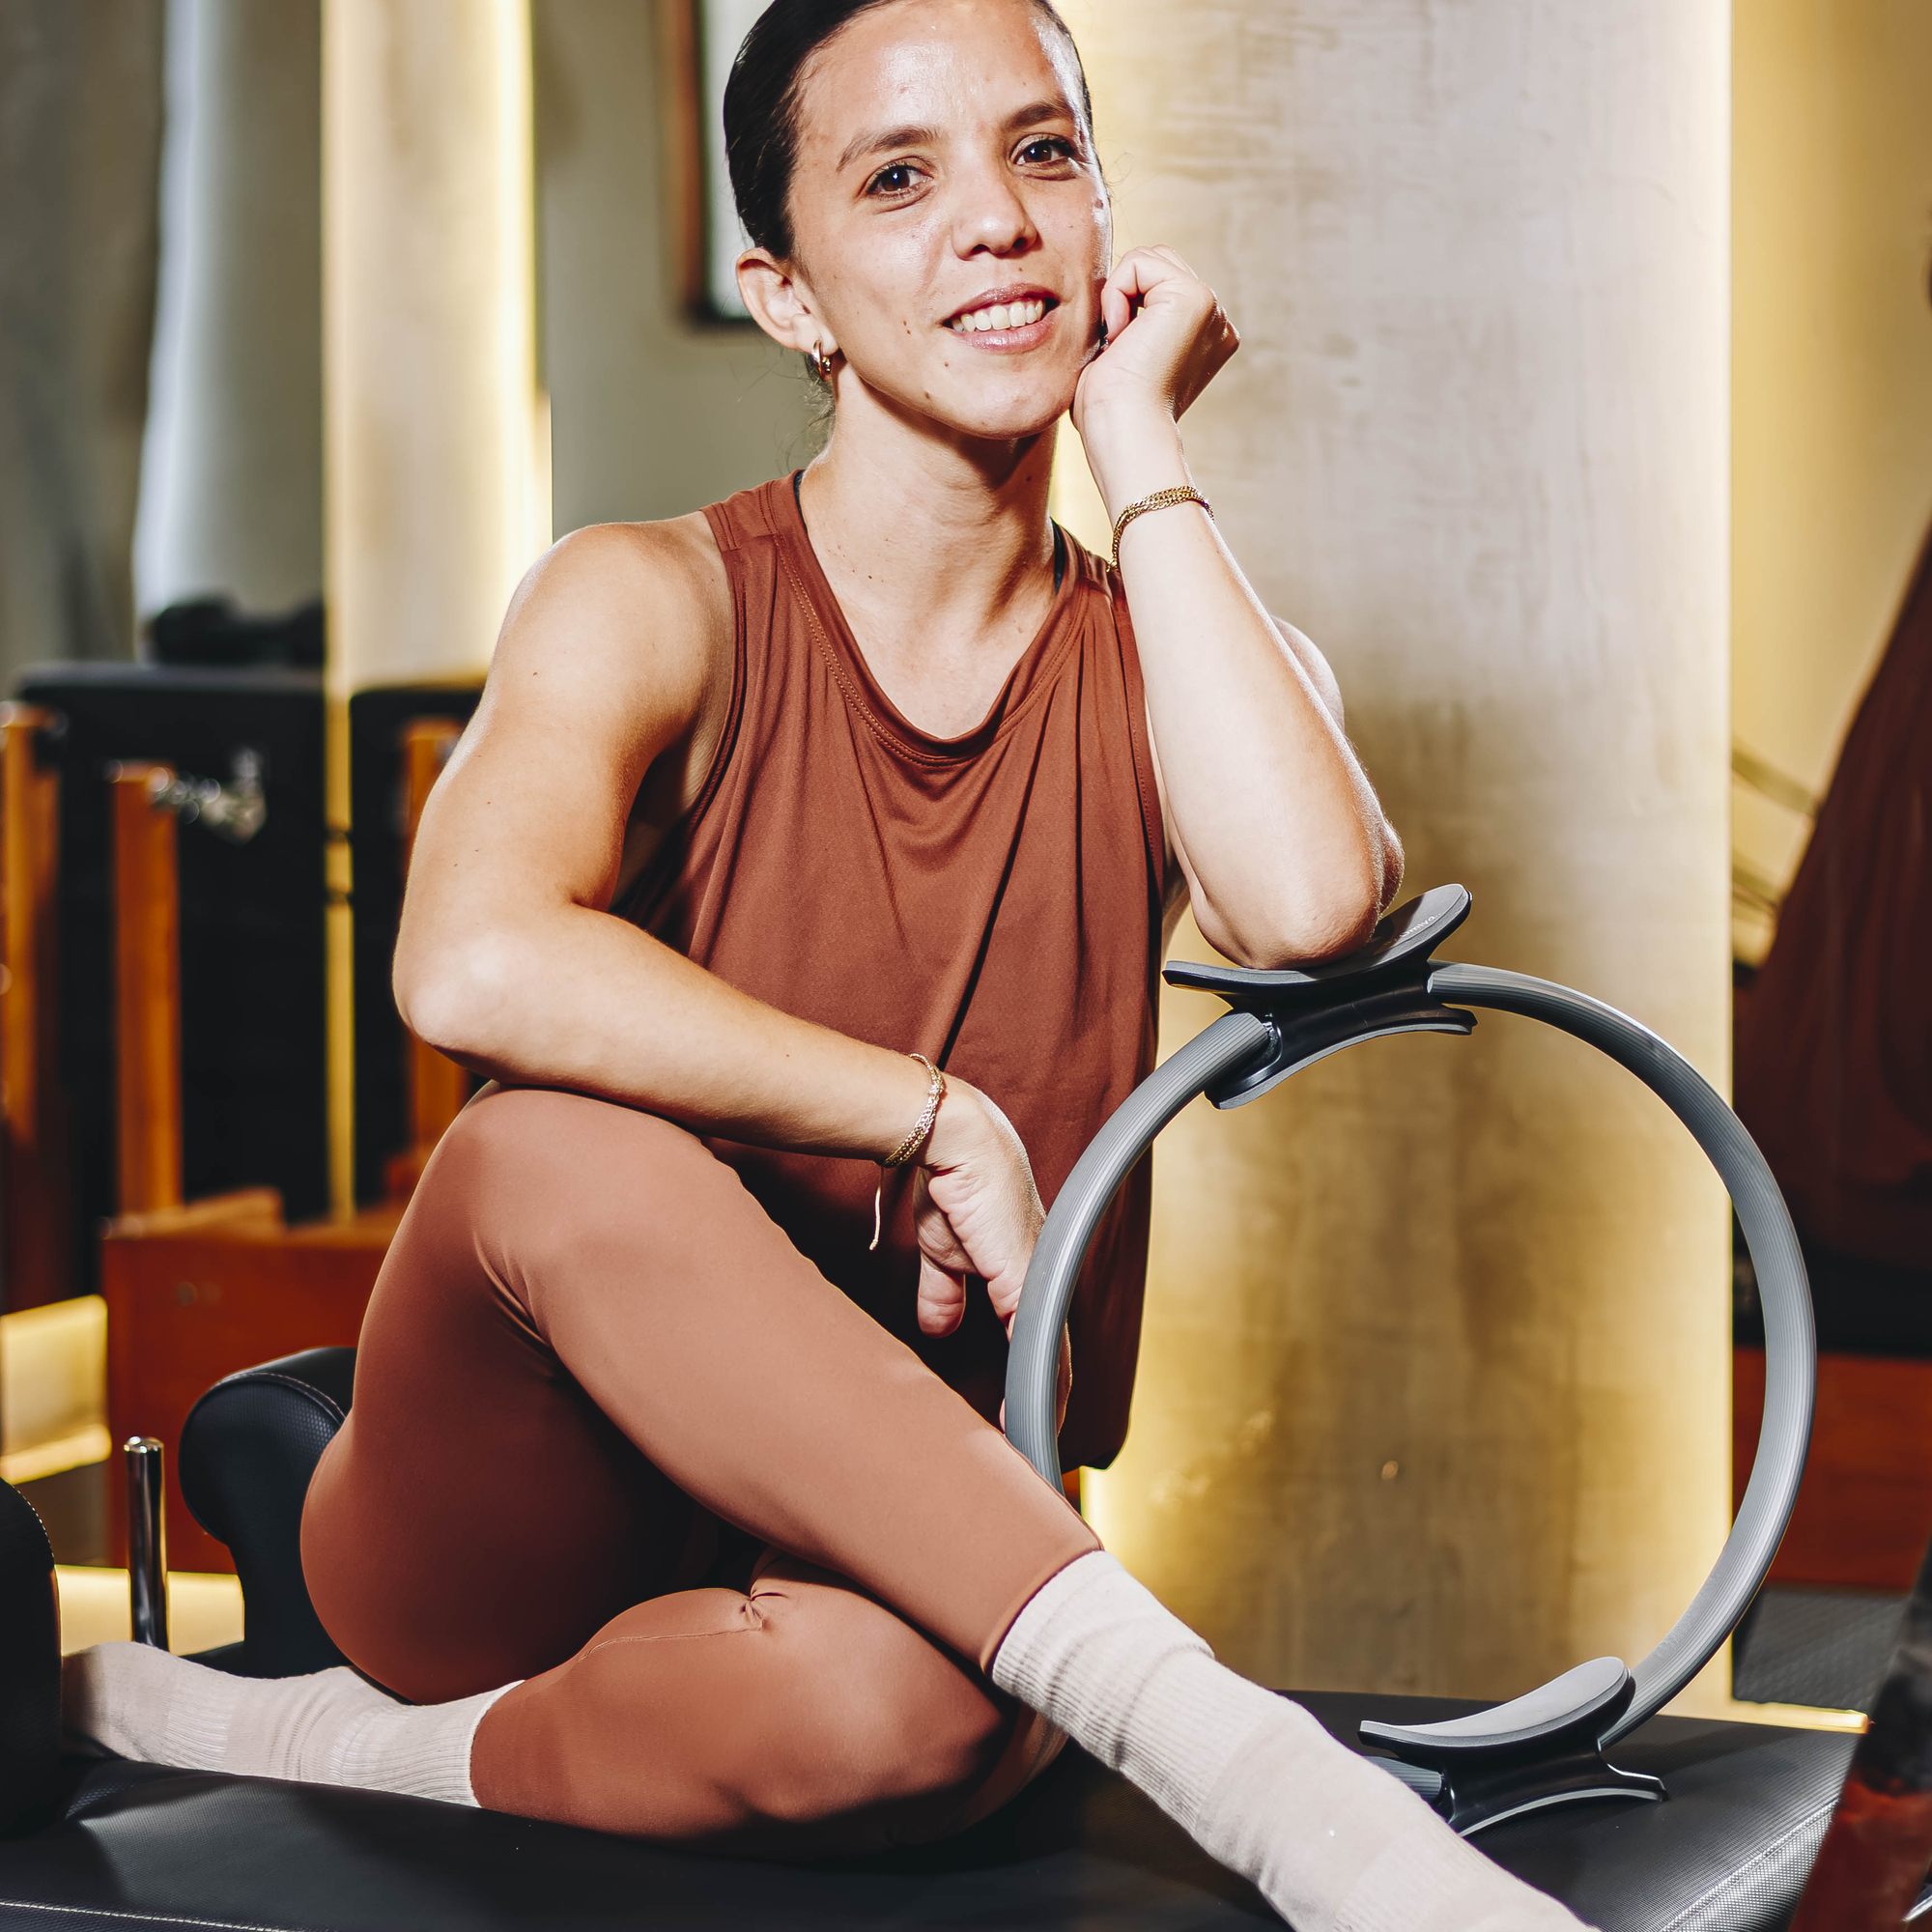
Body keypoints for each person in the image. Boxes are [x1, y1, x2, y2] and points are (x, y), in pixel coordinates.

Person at [66, 3, 1581, 1925]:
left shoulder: (1171, 652)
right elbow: (464, 961)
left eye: (1045, 153)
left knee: (917, 1722)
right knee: (549, 1142)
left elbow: (1307, 905)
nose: (997, 219)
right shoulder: (650, 598)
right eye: (898, 176)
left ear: (1108, 217)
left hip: (906, 1547)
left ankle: (349, 1741)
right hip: (522, 1517)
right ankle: (1256, 1772)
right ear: (787, 298)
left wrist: (1138, 445)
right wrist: (924, 1113)